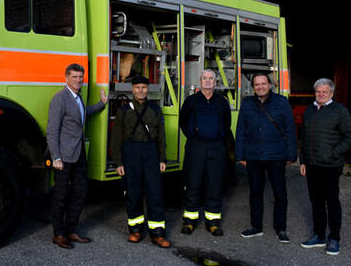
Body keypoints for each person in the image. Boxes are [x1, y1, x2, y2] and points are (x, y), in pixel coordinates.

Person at [46, 63, 108, 249]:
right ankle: (58, 234)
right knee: (61, 195)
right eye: (75, 77)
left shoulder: (77, 97)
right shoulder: (60, 98)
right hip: (63, 156)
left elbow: (83, 114)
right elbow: (52, 130)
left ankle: (71, 230)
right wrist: (56, 157)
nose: (79, 80)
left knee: (80, 192)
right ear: (66, 78)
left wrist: (101, 104)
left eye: (81, 77)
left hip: (79, 153)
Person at [235, 73, 297, 243]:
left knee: (280, 194)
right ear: (253, 87)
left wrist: (292, 154)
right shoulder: (247, 103)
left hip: (276, 154)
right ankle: (256, 227)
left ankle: (281, 228)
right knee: (255, 193)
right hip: (254, 155)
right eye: (257, 84)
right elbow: (241, 129)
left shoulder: (282, 102)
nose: (260, 87)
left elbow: (290, 130)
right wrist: (240, 154)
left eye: (263, 83)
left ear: (270, 85)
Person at [110, 76, 171, 248]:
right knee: (133, 193)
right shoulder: (123, 110)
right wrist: (118, 162)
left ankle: (158, 234)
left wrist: (162, 158)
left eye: (143, 87)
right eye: (137, 87)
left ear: (148, 89)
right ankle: (135, 231)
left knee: (155, 193)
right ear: (132, 89)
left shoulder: (155, 109)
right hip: (131, 153)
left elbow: (161, 136)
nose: (140, 90)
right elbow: (116, 138)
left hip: (151, 153)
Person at [299, 78, 351, 256]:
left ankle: (334, 238)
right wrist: (303, 161)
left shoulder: (339, 111)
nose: (321, 94)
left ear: (331, 93)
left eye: (325, 92)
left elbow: (350, 136)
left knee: (332, 202)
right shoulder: (309, 110)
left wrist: (334, 152)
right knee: (316, 202)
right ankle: (319, 235)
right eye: (318, 91)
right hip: (312, 165)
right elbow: (304, 137)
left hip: (330, 165)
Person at [179, 69, 233, 237]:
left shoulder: (222, 102)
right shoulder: (191, 101)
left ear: (215, 82)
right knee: (193, 183)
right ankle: (189, 221)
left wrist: (217, 137)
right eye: (205, 78)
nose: (208, 81)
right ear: (200, 81)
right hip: (196, 146)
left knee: (214, 184)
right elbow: (183, 122)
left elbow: (227, 123)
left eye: (211, 78)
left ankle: (213, 222)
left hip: (217, 147)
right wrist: (195, 137)